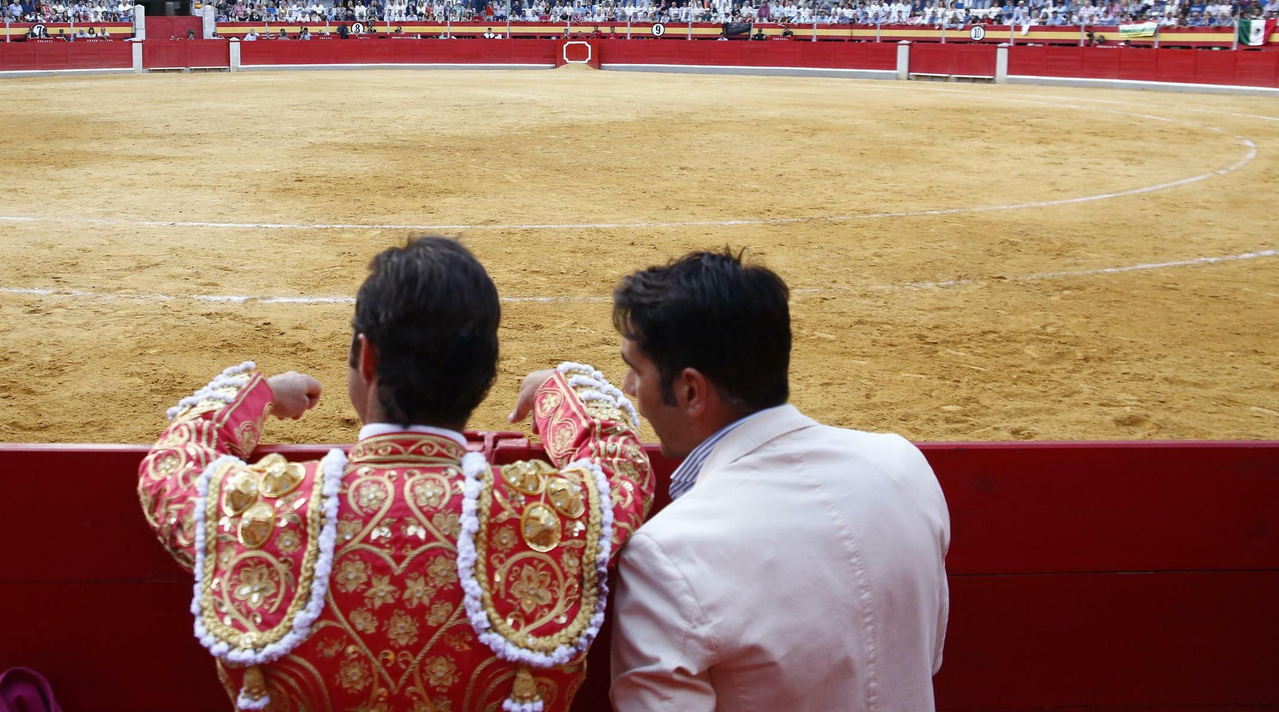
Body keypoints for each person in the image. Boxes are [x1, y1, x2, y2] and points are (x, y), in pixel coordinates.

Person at [138, 236, 653, 712]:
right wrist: (554, 395)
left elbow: (177, 460)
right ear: (486, 374)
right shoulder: (559, 515)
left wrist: (260, 394)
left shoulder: (253, 507)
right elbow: (621, 461)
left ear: (366, 359)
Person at [609, 250, 950, 712]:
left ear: (690, 391)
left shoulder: (667, 556)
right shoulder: (902, 467)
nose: (630, 387)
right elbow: (921, 658)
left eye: (637, 368)